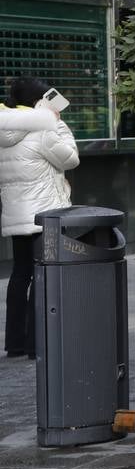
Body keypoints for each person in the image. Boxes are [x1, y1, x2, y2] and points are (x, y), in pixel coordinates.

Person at [0, 83, 75, 359]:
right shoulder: (42, 132)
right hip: (44, 214)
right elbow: (71, 159)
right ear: (37, 103)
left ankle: (15, 343)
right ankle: (36, 344)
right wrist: (58, 123)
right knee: (43, 275)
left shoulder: (3, 134)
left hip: (16, 213)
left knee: (20, 274)